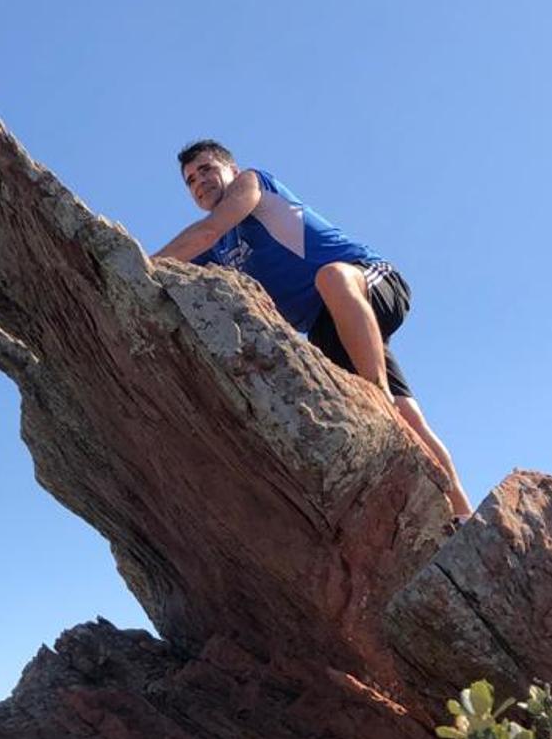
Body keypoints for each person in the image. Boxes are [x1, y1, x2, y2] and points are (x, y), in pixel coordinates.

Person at [151, 140, 472, 519]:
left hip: (366, 282)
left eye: (206, 169)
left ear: (232, 170)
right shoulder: (216, 250)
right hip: (326, 327)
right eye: (190, 181)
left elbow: (203, 234)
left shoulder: (251, 184)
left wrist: (137, 263)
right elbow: (184, 269)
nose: (199, 181)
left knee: (332, 277)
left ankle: (378, 392)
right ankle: (464, 516)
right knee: (407, 418)